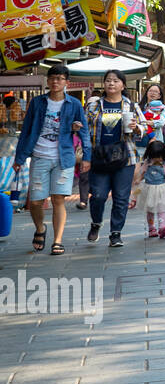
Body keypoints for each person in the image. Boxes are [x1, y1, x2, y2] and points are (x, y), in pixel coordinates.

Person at [13, 63, 86, 255]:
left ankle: (58, 240)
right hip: (39, 156)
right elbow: (27, 130)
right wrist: (19, 158)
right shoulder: (37, 103)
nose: (56, 82)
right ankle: (40, 228)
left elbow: (84, 130)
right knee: (36, 201)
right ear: (48, 81)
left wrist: (86, 155)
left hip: (64, 158)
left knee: (58, 199)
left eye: (60, 79)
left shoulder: (74, 104)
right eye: (53, 78)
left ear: (66, 83)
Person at [83, 69, 148, 248]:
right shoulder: (93, 106)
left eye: (115, 81)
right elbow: (84, 130)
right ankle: (96, 223)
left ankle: (115, 233)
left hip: (124, 157)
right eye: (108, 80)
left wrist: (137, 129)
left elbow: (143, 128)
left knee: (121, 198)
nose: (111, 84)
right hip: (100, 157)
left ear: (123, 85)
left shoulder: (131, 106)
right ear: (103, 84)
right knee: (97, 196)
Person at [132, 140, 165, 239]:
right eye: (154, 157)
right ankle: (151, 228)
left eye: (159, 157)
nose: (157, 159)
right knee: (150, 209)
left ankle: (162, 227)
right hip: (149, 189)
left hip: (162, 190)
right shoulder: (148, 163)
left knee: (161, 208)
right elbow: (143, 173)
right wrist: (138, 180)